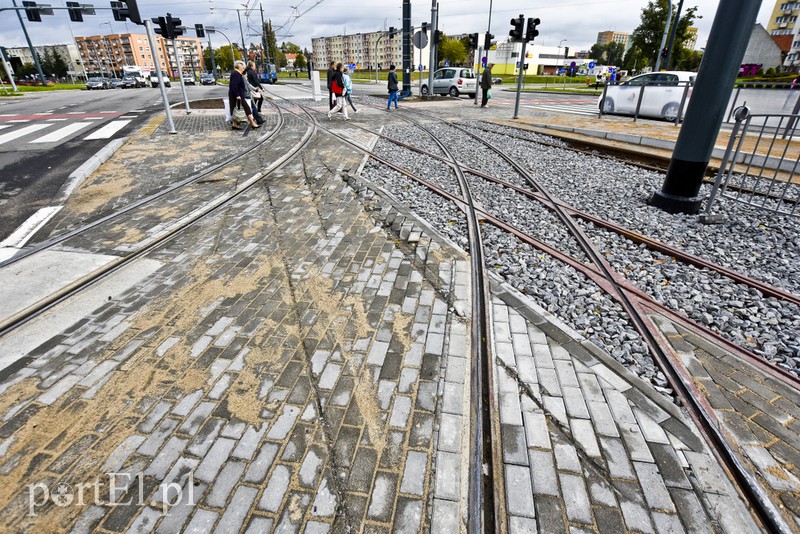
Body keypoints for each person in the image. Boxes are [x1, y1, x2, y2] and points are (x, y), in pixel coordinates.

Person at [228, 60, 260, 130]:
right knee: (246, 108)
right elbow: (234, 85)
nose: (243, 69)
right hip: (237, 96)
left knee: (235, 109)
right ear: (239, 66)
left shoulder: (235, 73)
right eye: (242, 67)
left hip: (235, 95)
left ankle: (235, 124)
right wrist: (237, 95)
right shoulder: (236, 74)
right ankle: (252, 123)